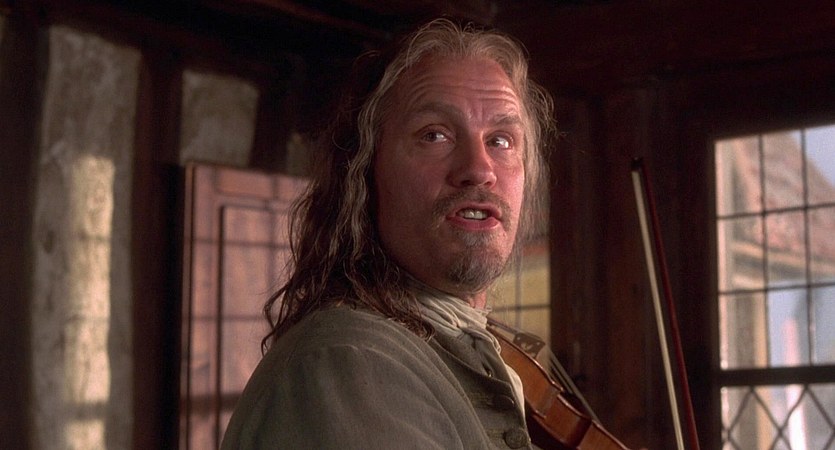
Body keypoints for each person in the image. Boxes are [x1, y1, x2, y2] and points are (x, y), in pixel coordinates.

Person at [221, 17, 555, 450]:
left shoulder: (462, 348)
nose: (478, 169)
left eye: (502, 140)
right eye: (435, 135)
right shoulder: (349, 362)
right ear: (365, 172)